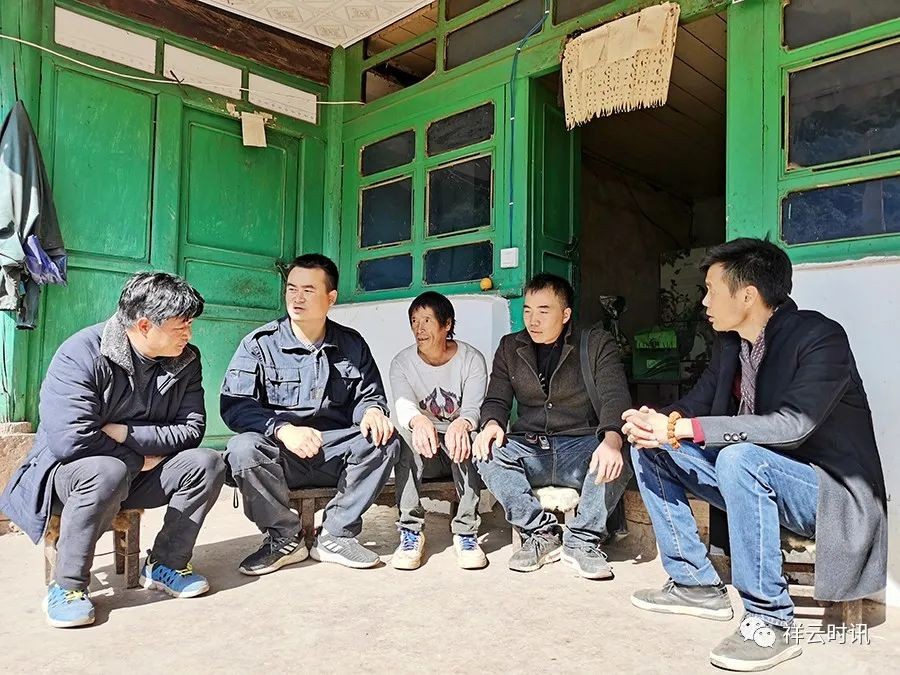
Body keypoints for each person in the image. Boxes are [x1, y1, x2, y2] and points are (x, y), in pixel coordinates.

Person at [623, 238, 888, 672]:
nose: (704, 301)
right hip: (754, 478)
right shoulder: (732, 345)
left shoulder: (820, 337)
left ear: (747, 295)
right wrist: (658, 421)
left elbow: (793, 425)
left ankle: (770, 620)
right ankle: (695, 584)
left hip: (827, 493)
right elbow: (695, 404)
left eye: (711, 290)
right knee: (652, 449)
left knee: (738, 457)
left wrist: (687, 429)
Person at [0, 272, 225, 628]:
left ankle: (166, 563)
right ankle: (68, 586)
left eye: (190, 324)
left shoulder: (185, 360)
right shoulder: (81, 353)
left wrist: (125, 432)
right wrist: (137, 458)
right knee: (108, 470)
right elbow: (70, 440)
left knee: (207, 463)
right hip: (71, 477)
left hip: (138, 474)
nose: (189, 334)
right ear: (145, 325)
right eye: (180, 326)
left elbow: (191, 431)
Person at [222, 254, 399, 573]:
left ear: (331, 298)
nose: (297, 298)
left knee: (385, 439)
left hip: (334, 453)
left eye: (308, 290)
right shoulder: (259, 344)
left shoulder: (351, 344)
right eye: (291, 289)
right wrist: (281, 429)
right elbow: (236, 405)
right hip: (280, 455)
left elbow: (369, 395)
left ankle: (336, 534)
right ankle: (283, 538)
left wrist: (372, 411)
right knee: (242, 449)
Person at [473, 273, 632, 579]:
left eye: (543, 311)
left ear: (566, 314)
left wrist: (612, 439)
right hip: (531, 448)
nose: (533, 320)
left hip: (580, 448)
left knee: (625, 447)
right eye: (527, 310)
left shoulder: (595, 343)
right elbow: (496, 399)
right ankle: (541, 533)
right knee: (484, 450)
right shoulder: (509, 347)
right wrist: (491, 423)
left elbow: (615, 396)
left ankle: (582, 540)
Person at [389, 291, 488, 570]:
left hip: (458, 448)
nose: (418, 329)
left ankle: (466, 532)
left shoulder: (471, 359)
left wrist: (462, 423)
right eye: (414, 321)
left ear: (447, 324)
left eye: (427, 320)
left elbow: (472, 410)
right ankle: (410, 530)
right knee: (404, 436)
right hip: (426, 450)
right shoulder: (402, 363)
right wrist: (418, 421)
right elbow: (404, 407)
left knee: (469, 436)